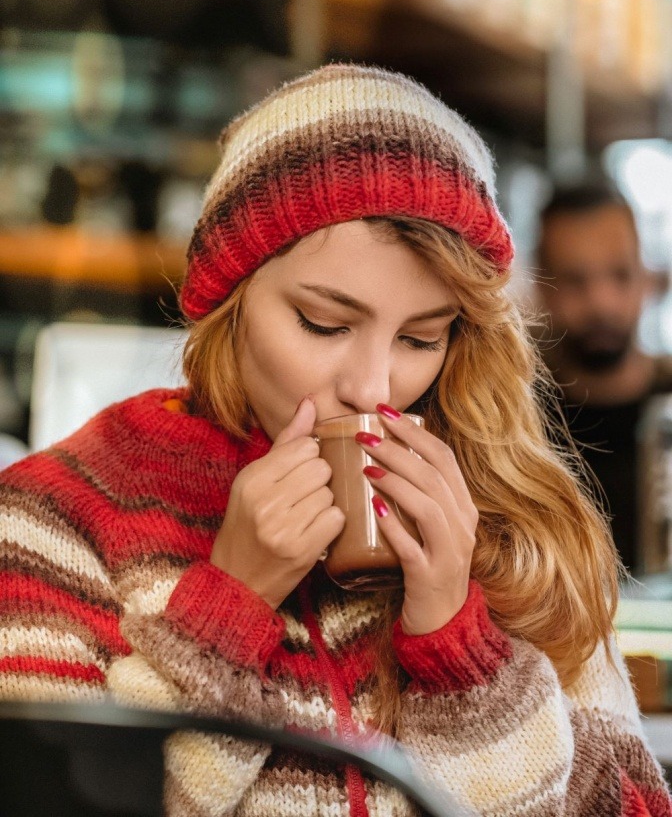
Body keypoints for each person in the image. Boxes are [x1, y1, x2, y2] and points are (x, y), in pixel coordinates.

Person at [0, 63, 670, 817]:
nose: (375, 387)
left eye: (421, 338)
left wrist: (461, 653)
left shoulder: (514, 525)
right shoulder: (54, 520)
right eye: (324, 323)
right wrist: (225, 615)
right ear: (230, 296)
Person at [534, 180, 672, 574]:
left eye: (620, 275)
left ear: (646, 277)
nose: (601, 303)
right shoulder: (514, 420)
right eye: (575, 280)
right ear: (543, 286)